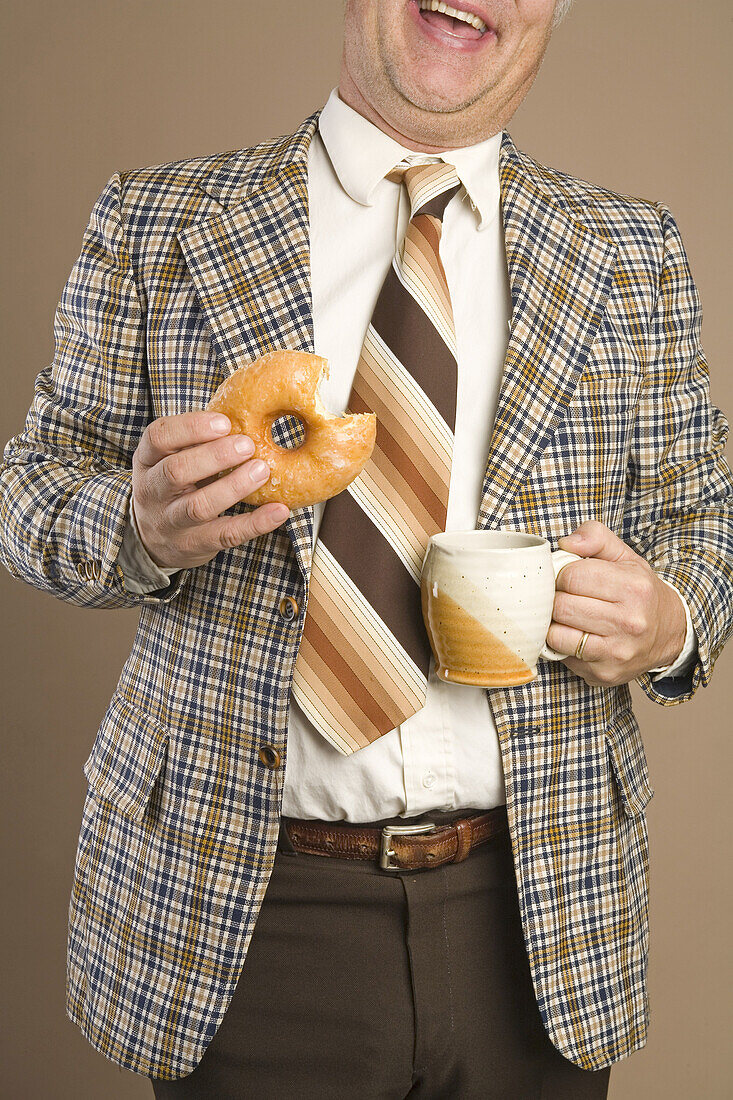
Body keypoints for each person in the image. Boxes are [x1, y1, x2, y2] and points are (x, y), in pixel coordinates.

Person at [1, 0, 731, 1096]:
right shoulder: (160, 220)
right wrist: (138, 526)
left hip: (537, 914)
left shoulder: (631, 252)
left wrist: (670, 617)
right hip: (242, 912)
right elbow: (34, 493)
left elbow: (704, 519)